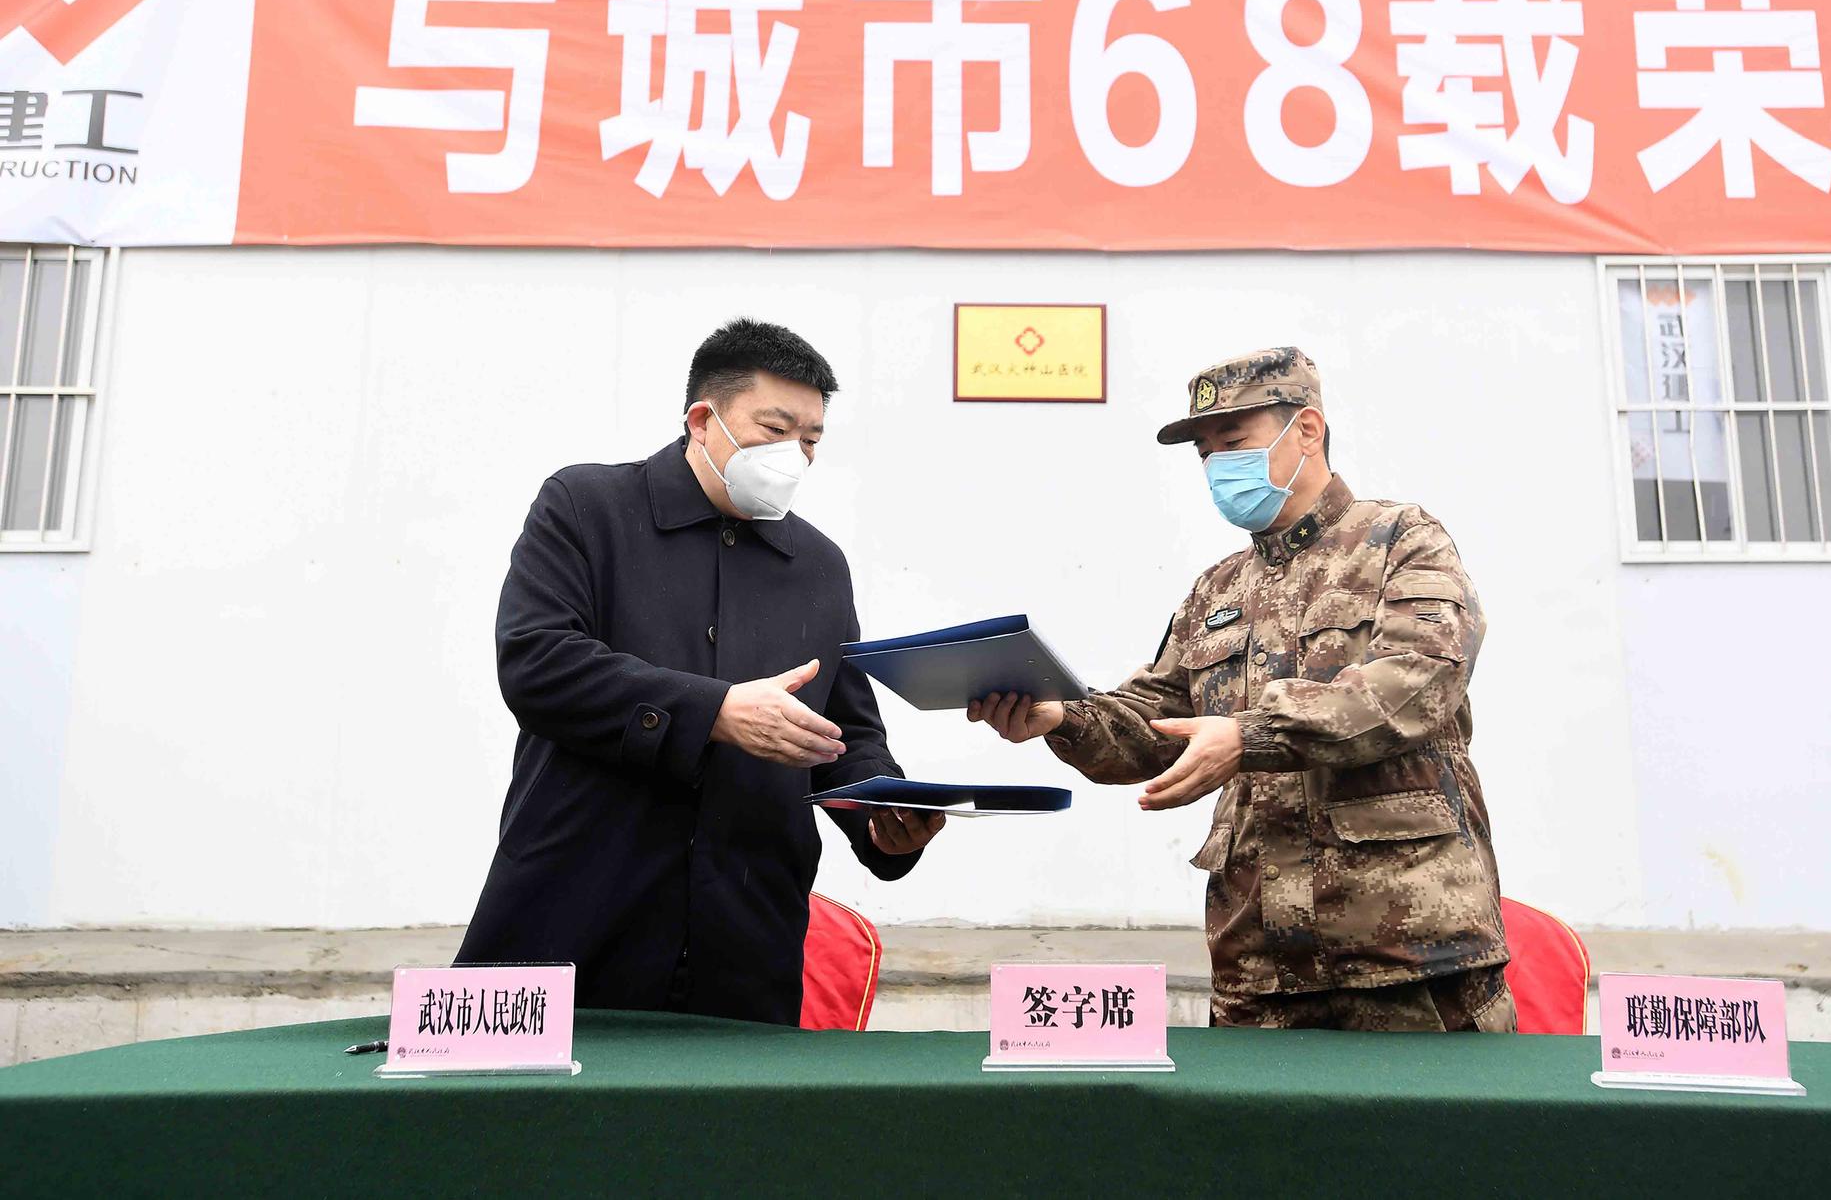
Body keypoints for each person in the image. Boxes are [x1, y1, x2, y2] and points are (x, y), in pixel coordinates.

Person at [970, 347, 1512, 1032]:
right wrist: (1060, 717)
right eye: (1205, 451)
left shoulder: (1401, 540)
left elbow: (1416, 682)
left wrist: (1250, 733)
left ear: (1307, 430)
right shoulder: (1218, 590)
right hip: (1261, 969)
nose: (1218, 465)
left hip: (1407, 957)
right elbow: (1153, 720)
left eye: (1234, 441)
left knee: (1429, 1140)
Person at [457, 318, 943, 1026]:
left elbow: (843, 733)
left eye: (811, 440)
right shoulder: (587, 509)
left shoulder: (818, 566)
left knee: (731, 1137)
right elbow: (537, 662)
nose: (795, 456)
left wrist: (883, 816)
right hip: (571, 923)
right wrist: (713, 711)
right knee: (530, 1134)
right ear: (702, 419)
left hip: (746, 951)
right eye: (775, 429)